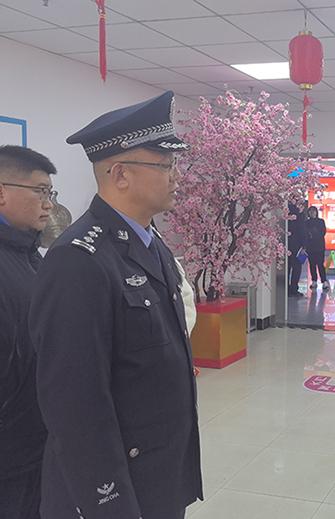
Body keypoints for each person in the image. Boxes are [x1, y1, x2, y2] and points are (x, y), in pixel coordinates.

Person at [28, 91, 202, 519]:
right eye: (165, 165)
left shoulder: (151, 242)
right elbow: (74, 403)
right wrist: (109, 502)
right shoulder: (79, 260)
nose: (176, 176)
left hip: (160, 474)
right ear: (120, 174)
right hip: (115, 489)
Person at [0, 146, 56, 519]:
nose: (48, 204)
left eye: (50, 192)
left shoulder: (31, 255)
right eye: (39, 191)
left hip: (37, 442)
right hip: (10, 451)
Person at [304, 205, 329, 291]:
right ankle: (314, 281)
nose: (312, 213)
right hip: (310, 247)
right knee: (312, 264)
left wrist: (314, 234)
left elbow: (323, 232)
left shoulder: (321, 221)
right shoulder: (306, 223)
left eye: (314, 211)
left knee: (320, 264)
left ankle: (324, 281)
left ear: (316, 212)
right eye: (310, 211)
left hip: (319, 246)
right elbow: (305, 234)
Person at [287, 202, 306, 297]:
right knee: (296, 267)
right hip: (297, 245)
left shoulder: (286, 210)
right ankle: (294, 289)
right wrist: (304, 245)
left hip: (286, 243)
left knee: (287, 267)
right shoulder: (300, 214)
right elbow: (302, 230)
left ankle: (286, 288)